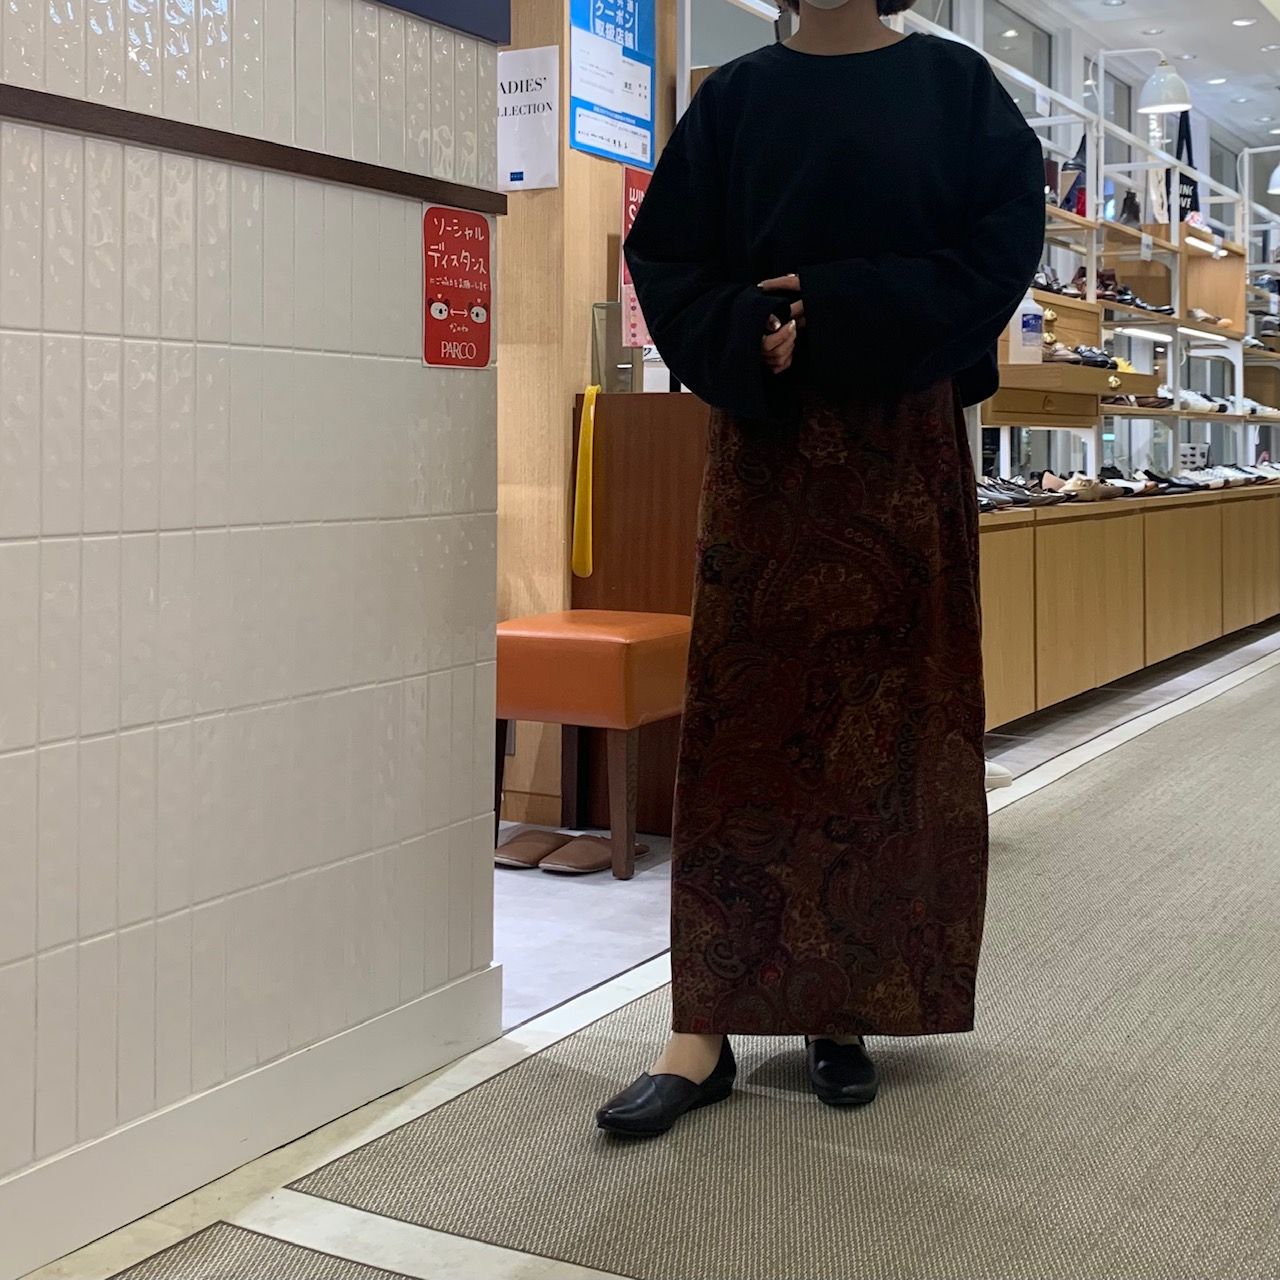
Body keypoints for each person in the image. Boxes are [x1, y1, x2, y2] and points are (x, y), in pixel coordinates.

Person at [595, 0, 1045, 1138]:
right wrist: (750, 323)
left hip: (900, 453)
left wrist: (834, 311)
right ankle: (700, 1027)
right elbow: (668, 256)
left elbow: (996, 252)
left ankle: (840, 1007)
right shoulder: (734, 99)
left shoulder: (955, 91)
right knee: (746, 726)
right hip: (770, 451)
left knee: (885, 728)